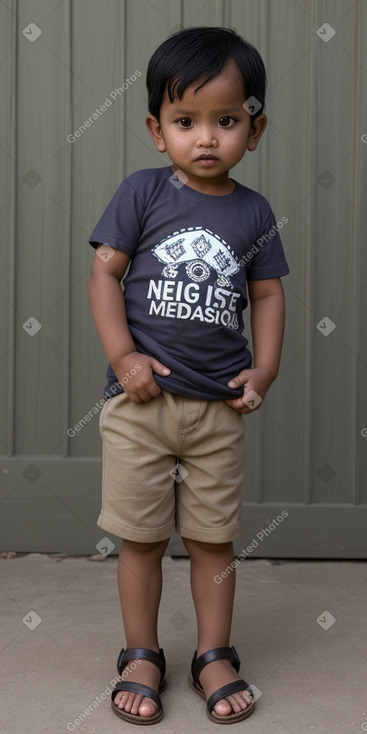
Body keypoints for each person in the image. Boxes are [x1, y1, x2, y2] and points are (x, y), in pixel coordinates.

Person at [87, 26, 289, 726]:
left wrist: (262, 367)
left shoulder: (253, 212)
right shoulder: (142, 194)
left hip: (216, 410)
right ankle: (141, 652)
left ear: (253, 131)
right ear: (156, 129)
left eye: (226, 121)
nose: (205, 138)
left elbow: (265, 294)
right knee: (140, 536)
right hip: (141, 403)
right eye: (185, 121)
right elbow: (104, 274)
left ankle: (213, 654)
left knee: (212, 539)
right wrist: (124, 357)